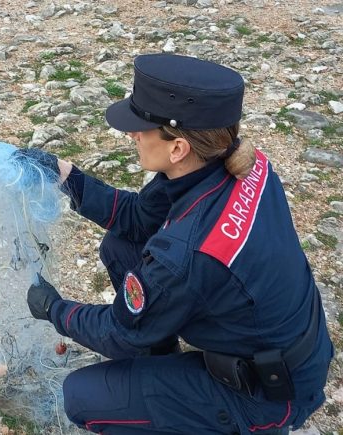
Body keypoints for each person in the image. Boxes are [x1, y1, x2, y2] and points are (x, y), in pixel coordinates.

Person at [20, 53, 333, 434]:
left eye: (141, 128)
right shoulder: (235, 164)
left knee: (81, 396)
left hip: (270, 393)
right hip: (290, 345)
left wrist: (54, 309)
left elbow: (119, 333)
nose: (132, 135)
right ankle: (159, 357)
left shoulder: (189, 252)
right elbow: (137, 218)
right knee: (120, 246)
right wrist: (64, 175)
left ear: (178, 148)